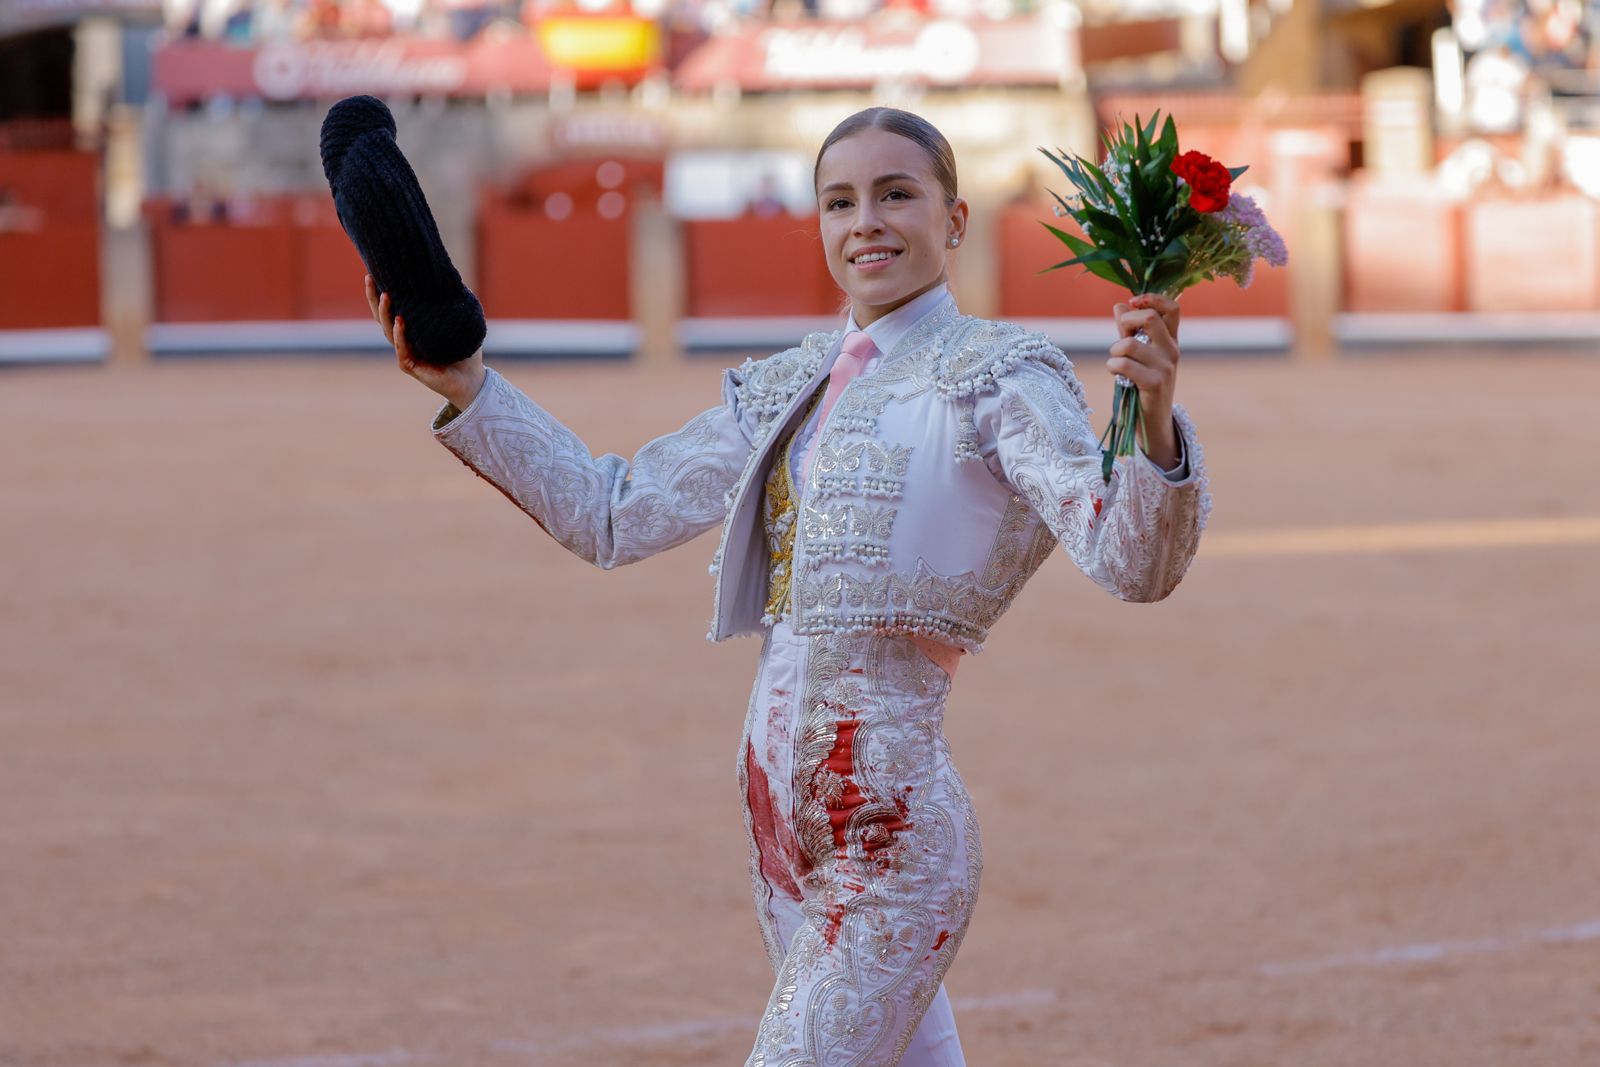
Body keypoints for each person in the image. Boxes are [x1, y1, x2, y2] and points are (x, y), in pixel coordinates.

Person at [365, 106, 1208, 1067]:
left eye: (898, 194)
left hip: (889, 842)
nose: (867, 223)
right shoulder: (786, 385)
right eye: (839, 201)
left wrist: (1153, 426)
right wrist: (470, 386)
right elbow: (613, 512)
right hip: (782, 838)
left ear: (957, 220)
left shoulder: (999, 378)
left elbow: (1130, 561)